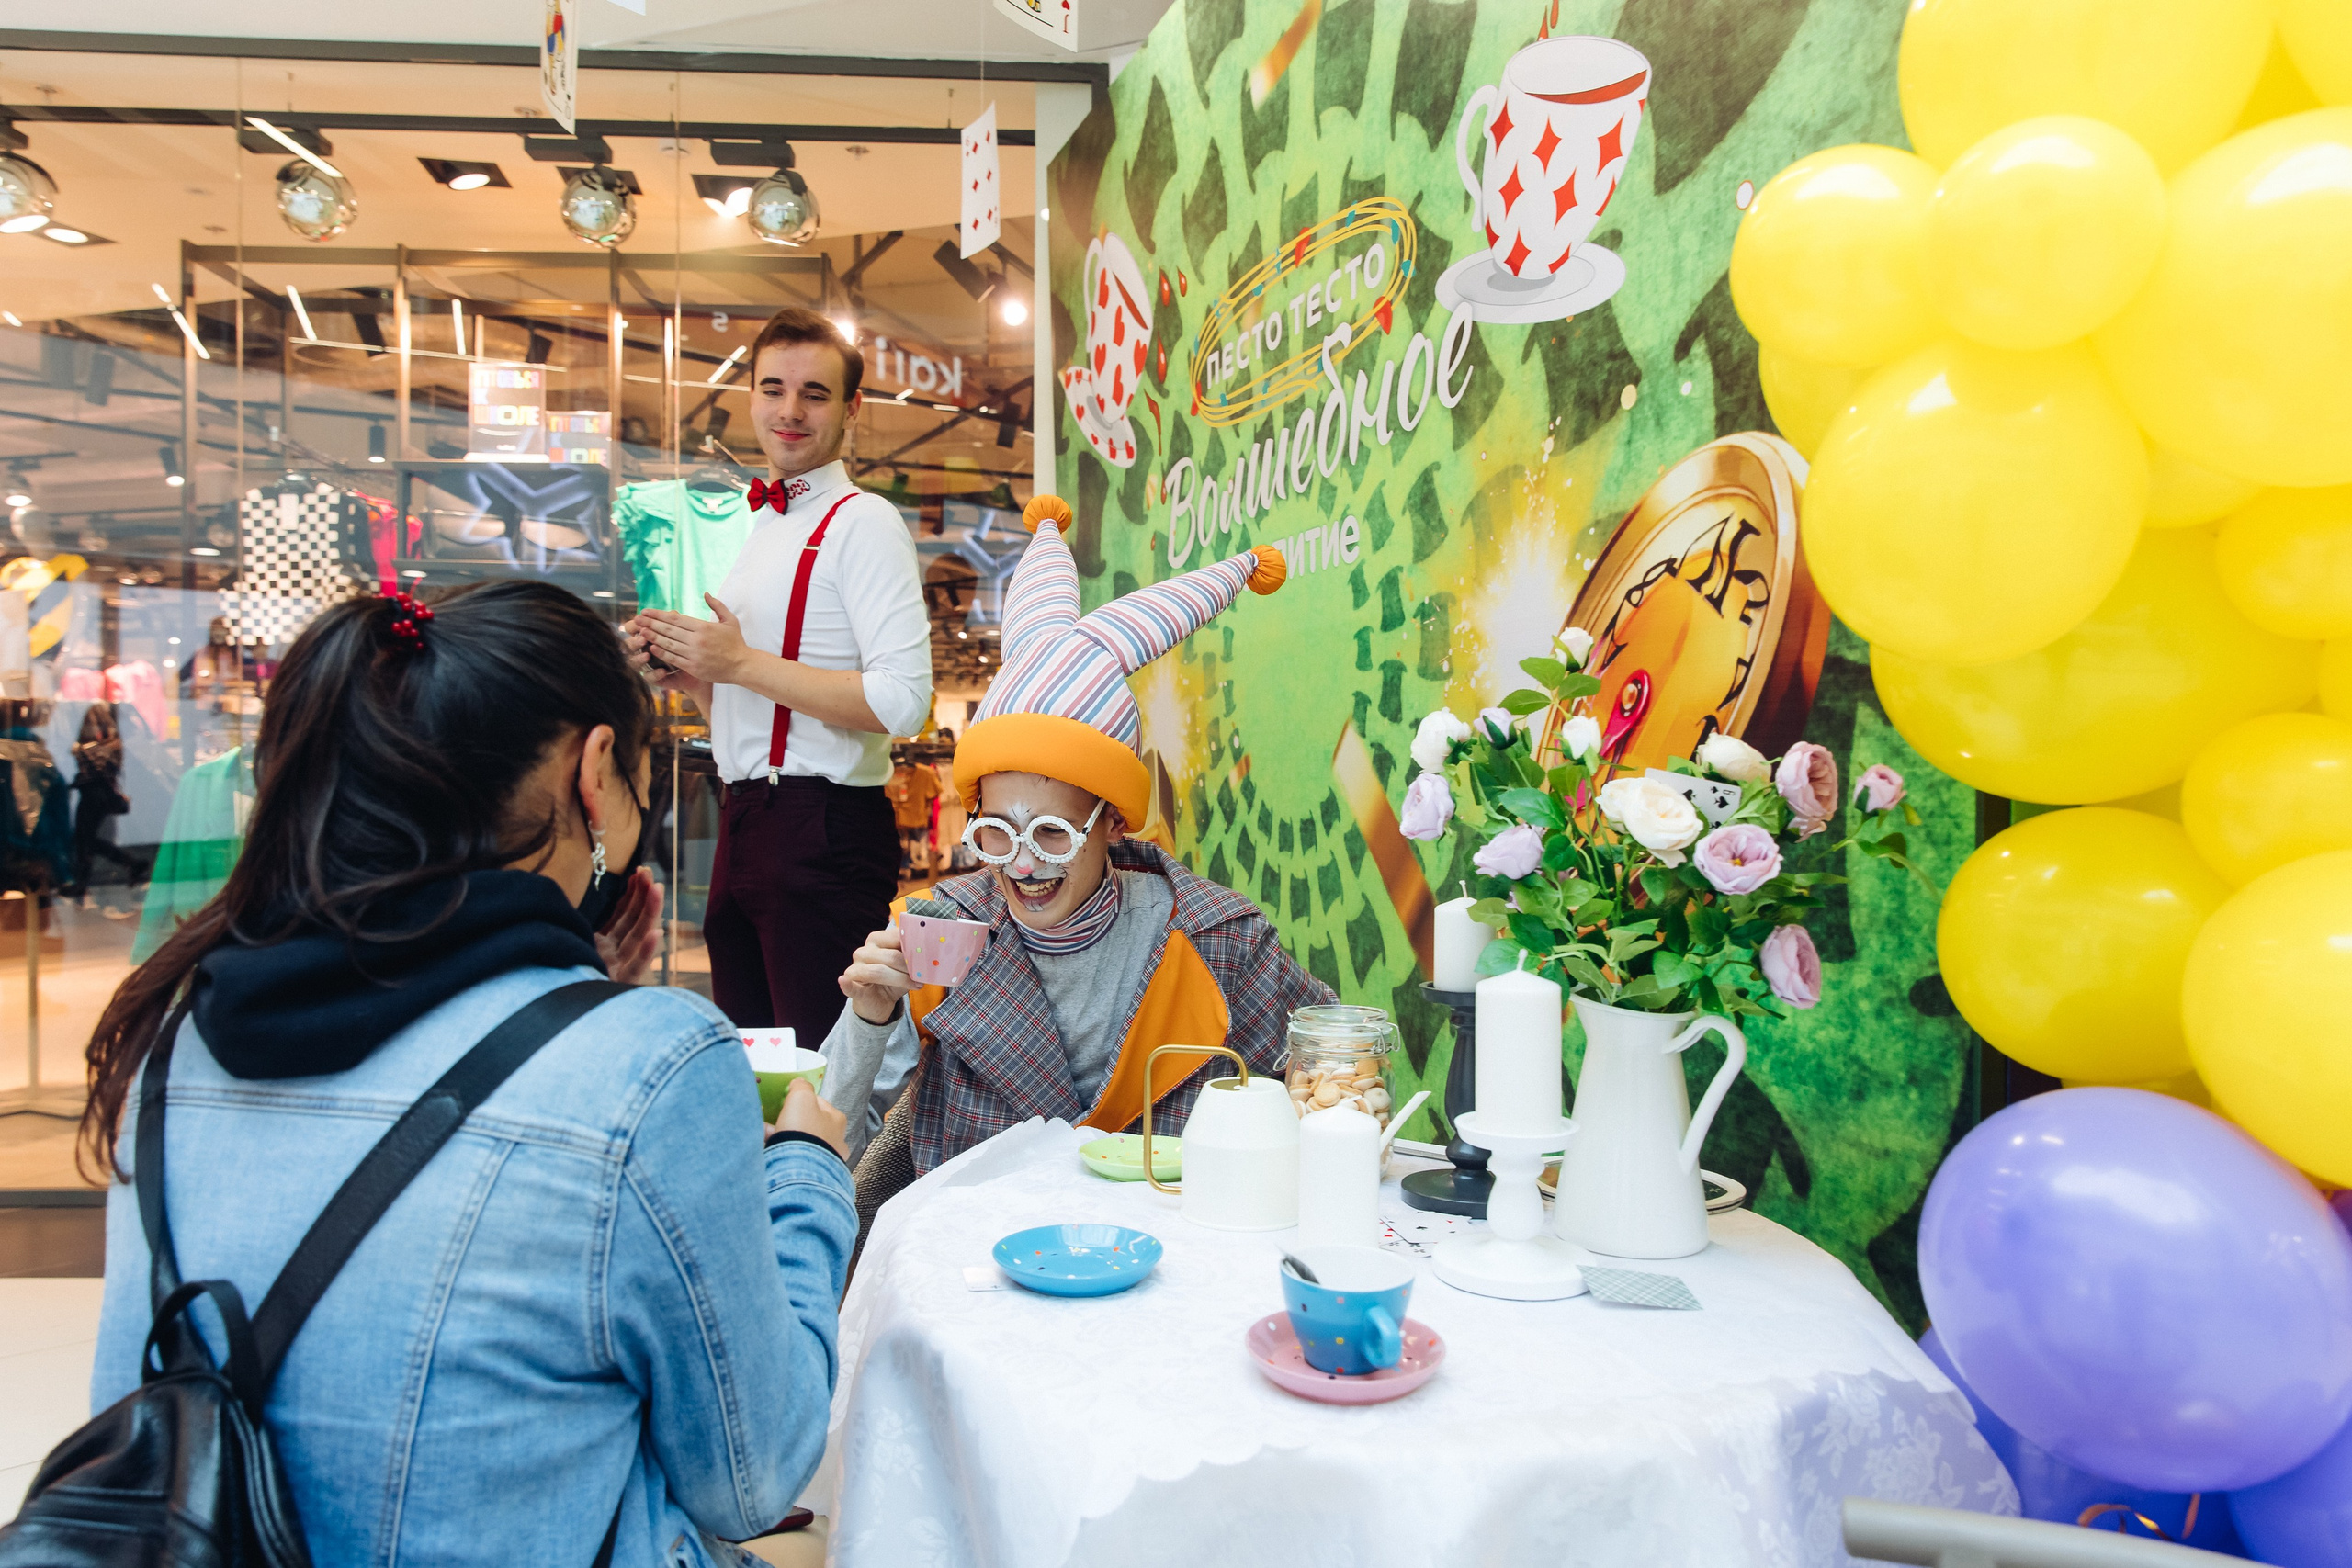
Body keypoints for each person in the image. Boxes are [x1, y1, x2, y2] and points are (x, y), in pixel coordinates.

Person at [82, 581, 854, 1568]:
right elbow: (753, 1474)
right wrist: (806, 1173)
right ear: (595, 770)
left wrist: (566, 1005)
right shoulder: (652, 1064)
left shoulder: (173, 1033)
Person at [820, 495, 1334, 1182]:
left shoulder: (1220, 942)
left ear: (1115, 820)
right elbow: (824, 1145)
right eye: (996, 832)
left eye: (1052, 833)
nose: (1022, 863)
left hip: (1168, 1240)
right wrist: (869, 1016)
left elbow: (1335, 1075)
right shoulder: (936, 934)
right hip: (976, 1242)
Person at [625, 307, 932, 1044]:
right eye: (773, 388)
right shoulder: (763, 527)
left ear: (851, 408)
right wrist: (697, 679)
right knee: (759, 1062)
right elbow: (768, 709)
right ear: (750, 397)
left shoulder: (864, 521)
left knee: (827, 1071)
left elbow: (904, 701)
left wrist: (738, 662)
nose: (790, 410)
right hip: (745, 818)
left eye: (815, 393)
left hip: (820, 830)